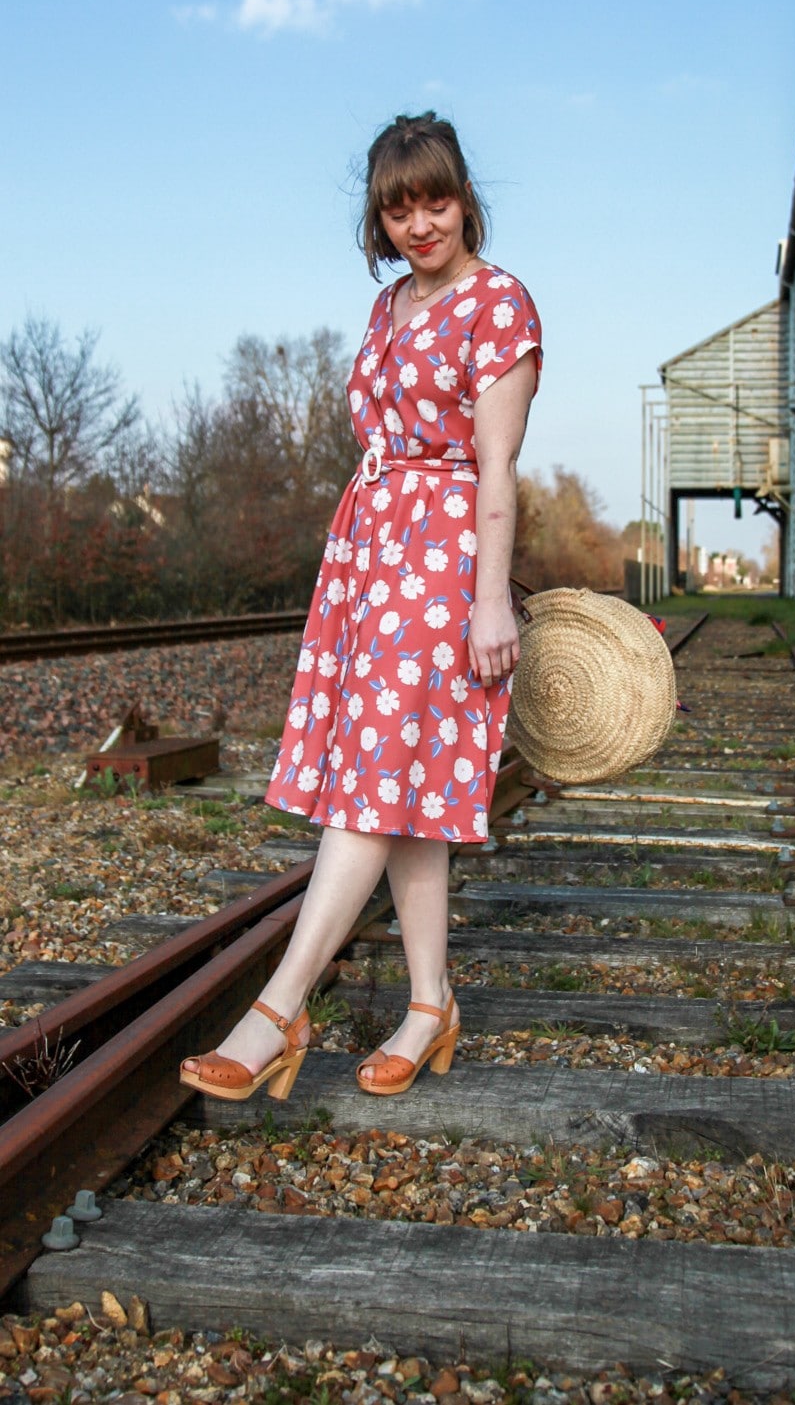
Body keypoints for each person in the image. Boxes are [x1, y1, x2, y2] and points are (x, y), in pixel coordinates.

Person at [180, 111, 542, 1102]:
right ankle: (429, 1005)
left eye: (436, 201)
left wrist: (490, 603)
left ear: (464, 198)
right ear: (379, 220)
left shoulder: (499, 305)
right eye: (398, 209)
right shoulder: (388, 308)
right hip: (373, 558)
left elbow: (497, 467)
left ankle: (278, 1009)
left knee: (370, 785)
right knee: (404, 792)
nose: (421, 224)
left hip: (443, 563)